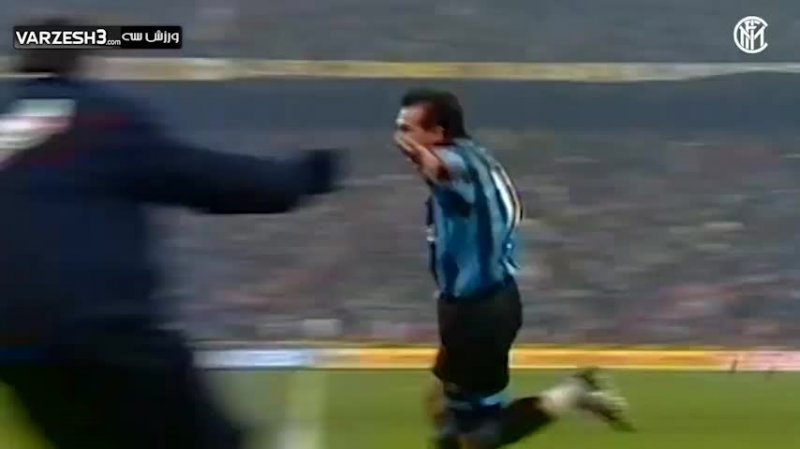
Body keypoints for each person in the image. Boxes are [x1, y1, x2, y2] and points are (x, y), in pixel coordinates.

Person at [0, 17, 345, 449]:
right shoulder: (99, 116)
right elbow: (205, 179)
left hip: (15, 347)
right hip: (99, 327)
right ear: (82, 60)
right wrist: (304, 176)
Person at [393, 88, 633, 449]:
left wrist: (421, 158)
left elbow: (443, 171)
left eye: (407, 129)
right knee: (439, 403)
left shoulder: (457, 165)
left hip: (479, 315)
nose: (400, 136)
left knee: (477, 438)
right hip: (470, 305)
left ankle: (577, 391)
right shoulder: (474, 156)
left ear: (438, 133)